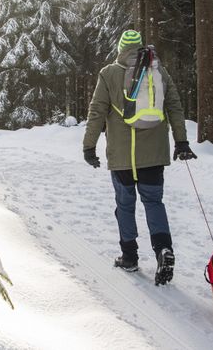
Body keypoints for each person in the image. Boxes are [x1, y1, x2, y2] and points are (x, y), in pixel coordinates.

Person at [82, 30, 195, 286]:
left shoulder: (109, 73)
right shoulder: (159, 71)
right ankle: (163, 249)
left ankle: (130, 256)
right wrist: (181, 141)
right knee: (154, 202)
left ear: (121, 49)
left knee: (125, 205)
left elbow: (97, 111)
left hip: (122, 156)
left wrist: (89, 147)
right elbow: (174, 106)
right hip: (154, 155)